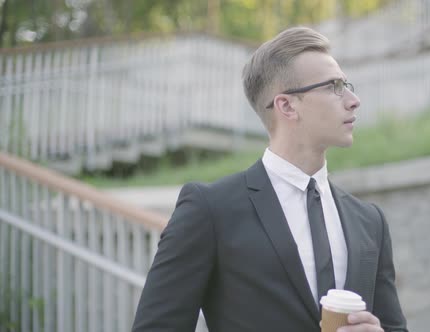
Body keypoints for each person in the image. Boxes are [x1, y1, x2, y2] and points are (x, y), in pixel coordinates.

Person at [132, 26, 408, 332]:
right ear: (287, 105)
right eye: (334, 86)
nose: (353, 99)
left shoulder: (370, 221)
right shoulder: (210, 210)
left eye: (347, 84)